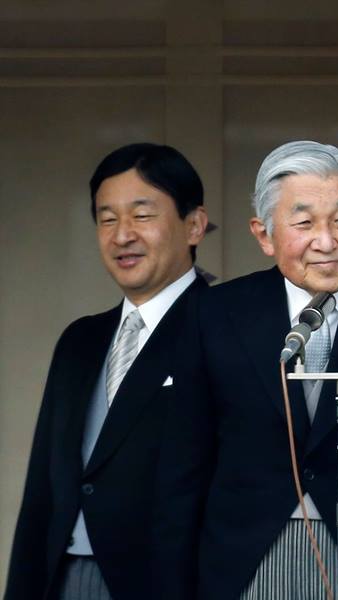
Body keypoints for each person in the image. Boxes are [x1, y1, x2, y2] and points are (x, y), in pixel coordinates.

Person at [154, 141, 338, 599]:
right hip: (243, 563)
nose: (326, 242)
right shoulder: (214, 314)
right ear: (264, 235)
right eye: (304, 223)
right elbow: (182, 470)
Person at [4, 143, 209, 600]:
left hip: (171, 584)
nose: (122, 235)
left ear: (194, 224)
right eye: (107, 219)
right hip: (63, 579)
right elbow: (42, 489)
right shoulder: (80, 341)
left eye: (142, 215)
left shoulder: (224, 331)